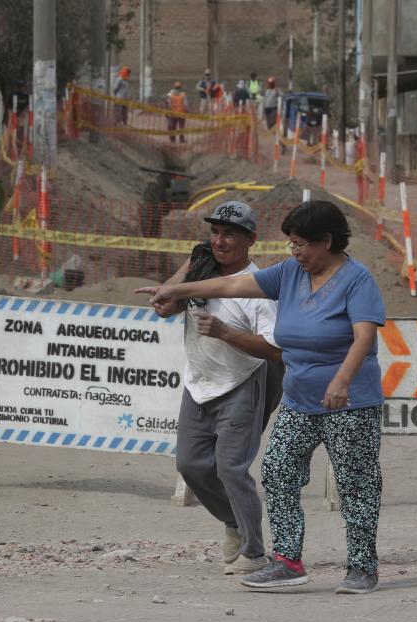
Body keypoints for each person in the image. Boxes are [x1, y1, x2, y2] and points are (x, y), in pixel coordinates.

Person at [137, 200, 386, 594]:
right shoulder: (290, 273)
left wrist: (341, 381)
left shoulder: (357, 280)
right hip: (299, 399)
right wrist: (178, 288)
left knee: (356, 484)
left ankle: (362, 568)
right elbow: (232, 284)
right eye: (291, 244)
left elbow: (365, 336)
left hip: (350, 401)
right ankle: (286, 561)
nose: (295, 252)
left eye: (301, 244)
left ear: (327, 241)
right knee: (277, 471)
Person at [151, 200, 283, 577]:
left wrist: (225, 332)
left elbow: (274, 349)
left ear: (250, 239)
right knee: (190, 464)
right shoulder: (202, 270)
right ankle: (234, 522)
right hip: (199, 383)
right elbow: (165, 306)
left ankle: (255, 552)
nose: (220, 240)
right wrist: (187, 269)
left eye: (229, 234)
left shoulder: (259, 288)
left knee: (231, 468)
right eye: (215, 232)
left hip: (243, 383)